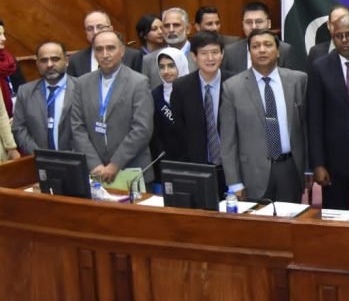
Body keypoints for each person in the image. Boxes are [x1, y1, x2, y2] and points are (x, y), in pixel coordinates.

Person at [220, 29, 308, 202]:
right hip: (251, 173)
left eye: (267, 45)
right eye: (256, 46)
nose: (262, 50)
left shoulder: (298, 81)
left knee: (290, 219)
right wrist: (234, 182)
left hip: (290, 169)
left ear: (278, 51)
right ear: (249, 52)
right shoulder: (232, 87)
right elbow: (228, 141)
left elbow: (306, 129)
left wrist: (308, 168)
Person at [69, 30, 155, 184]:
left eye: (110, 48)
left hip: (131, 170)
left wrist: (115, 164)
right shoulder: (82, 83)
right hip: (95, 171)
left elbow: (142, 129)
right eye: (99, 49)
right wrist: (94, 164)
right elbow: (77, 127)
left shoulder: (139, 82)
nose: (105, 54)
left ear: (122, 51)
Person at [307, 14, 349, 209]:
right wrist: (318, 164)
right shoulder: (320, 67)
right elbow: (314, 119)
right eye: (338, 36)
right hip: (334, 163)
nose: (344, 40)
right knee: (334, 219)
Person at [169, 31, 234, 196]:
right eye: (204, 53)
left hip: (232, 168)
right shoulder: (181, 87)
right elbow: (179, 132)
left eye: (215, 52)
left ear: (222, 54)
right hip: (198, 169)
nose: (210, 58)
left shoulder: (235, 83)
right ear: (194, 56)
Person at [13, 41, 79, 154]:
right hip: (38, 160)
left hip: (76, 159)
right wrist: (40, 155)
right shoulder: (25, 92)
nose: (49, 65)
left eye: (55, 59)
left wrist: (72, 157)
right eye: (44, 60)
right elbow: (19, 128)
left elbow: (90, 128)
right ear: (37, 63)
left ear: (66, 61)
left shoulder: (82, 88)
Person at [222, 1, 304, 73]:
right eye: (249, 22)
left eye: (259, 21)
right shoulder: (230, 52)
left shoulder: (284, 50)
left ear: (269, 24)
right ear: (242, 25)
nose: (254, 27)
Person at [149, 47, 189, 179]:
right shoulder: (155, 95)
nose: (166, 71)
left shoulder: (194, 91)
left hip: (192, 161)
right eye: (162, 67)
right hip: (165, 161)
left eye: (171, 66)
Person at [66, 11, 144, 77]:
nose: (95, 32)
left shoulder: (133, 56)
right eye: (90, 29)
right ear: (86, 33)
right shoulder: (75, 60)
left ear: (110, 29)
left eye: (100, 27)